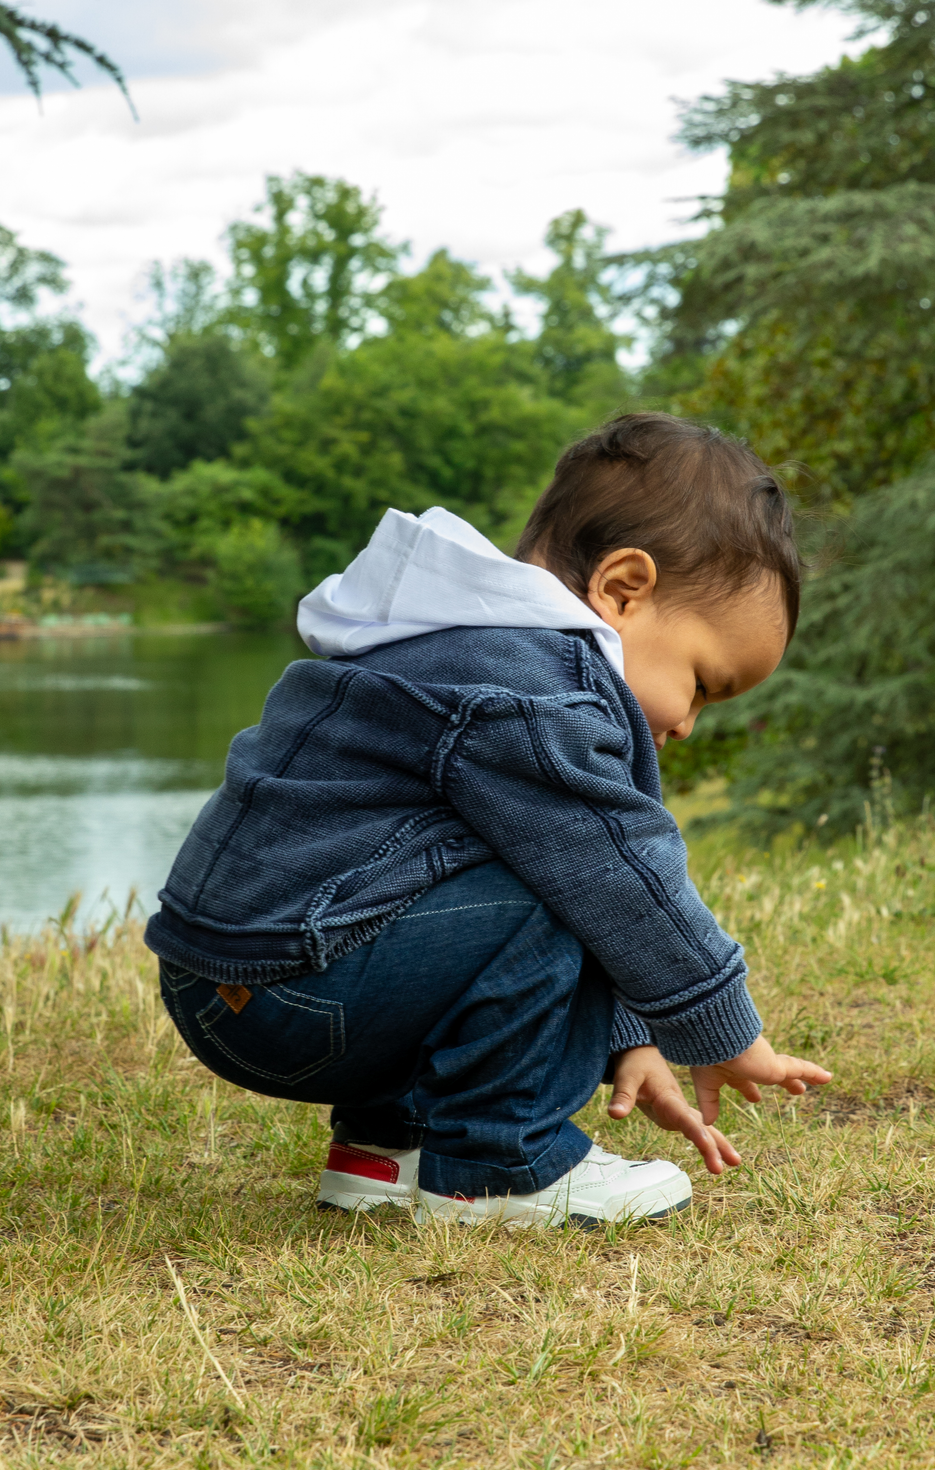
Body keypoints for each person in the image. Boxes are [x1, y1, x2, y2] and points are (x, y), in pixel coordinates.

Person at [146, 413, 830, 1227]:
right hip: (299, 990)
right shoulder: (533, 686)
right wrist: (721, 1028)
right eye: (705, 683)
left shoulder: (452, 640)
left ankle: (384, 1149)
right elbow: (616, 874)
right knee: (574, 871)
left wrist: (629, 1037)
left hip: (233, 979)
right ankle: (497, 1165)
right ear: (624, 590)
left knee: (505, 866)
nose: (688, 724)